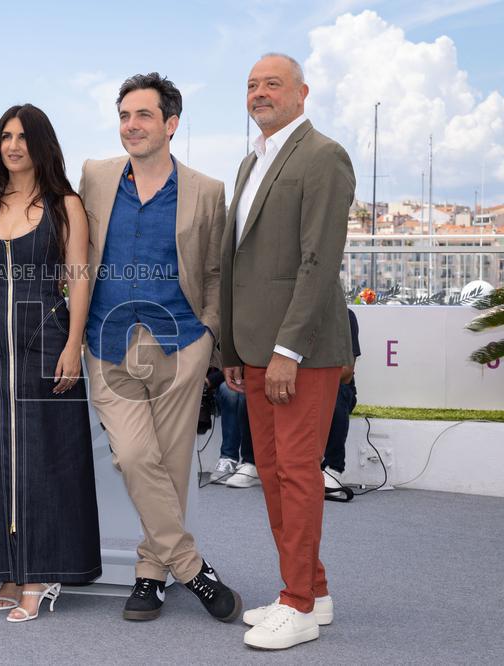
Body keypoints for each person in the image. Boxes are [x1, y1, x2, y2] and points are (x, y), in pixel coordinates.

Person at [81, 73, 241, 623]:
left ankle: (150, 574)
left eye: (143, 115)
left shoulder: (207, 189)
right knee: (133, 454)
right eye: (125, 116)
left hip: (181, 342)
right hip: (107, 340)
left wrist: (211, 339)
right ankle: (193, 568)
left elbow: (216, 272)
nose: (132, 126)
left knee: (171, 465)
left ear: (170, 124)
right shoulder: (96, 177)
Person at [220, 53, 356, 650]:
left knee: (298, 475)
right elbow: (238, 263)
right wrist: (232, 344)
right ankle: (310, 590)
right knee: (274, 475)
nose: (259, 92)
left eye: (272, 83)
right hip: (252, 349)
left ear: (303, 93)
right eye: (251, 85)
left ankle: (299, 605)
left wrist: (285, 350)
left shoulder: (323, 156)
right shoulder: (254, 160)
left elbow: (318, 263)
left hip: (298, 352)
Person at [0, 104, 102, 623]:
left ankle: (40, 574)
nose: (12, 145)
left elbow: (79, 276)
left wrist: (74, 345)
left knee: (44, 454)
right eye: (4, 136)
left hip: (47, 333)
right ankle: (8, 568)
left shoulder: (66, 205)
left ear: (41, 143)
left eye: (22, 136)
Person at [323, 308, 361, 493]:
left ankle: (333, 469)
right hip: (303, 386)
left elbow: (346, 372)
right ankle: (252, 463)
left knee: (337, 393)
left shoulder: (345, 316)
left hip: (337, 386)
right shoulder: (295, 316)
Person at [207, 368, 259, 488]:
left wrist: (211, 379)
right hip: (232, 377)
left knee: (244, 392)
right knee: (228, 389)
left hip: (257, 377)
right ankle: (228, 459)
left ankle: (251, 463)